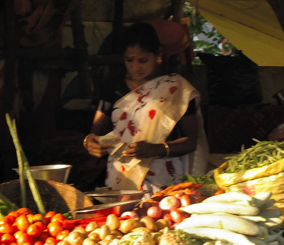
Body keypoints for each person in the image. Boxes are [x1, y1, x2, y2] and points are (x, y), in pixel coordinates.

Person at [83, 21, 204, 191]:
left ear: (158, 54)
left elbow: (191, 141)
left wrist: (157, 149)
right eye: (129, 60)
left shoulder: (176, 89)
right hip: (122, 178)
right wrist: (90, 142)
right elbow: (96, 133)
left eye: (142, 60)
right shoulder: (113, 87)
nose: (135, 67)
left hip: (164, 179)